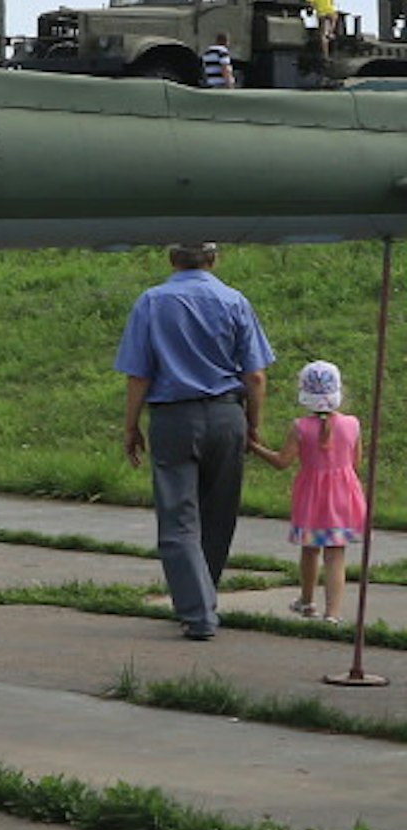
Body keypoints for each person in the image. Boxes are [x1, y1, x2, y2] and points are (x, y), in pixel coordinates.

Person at [118, 240, 273, 639]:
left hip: (173, 417)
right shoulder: (234, 300)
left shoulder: (151, 302)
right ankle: (206, 594)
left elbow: (139, 374)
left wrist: (131, 425)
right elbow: (255, 375)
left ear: (171, 258)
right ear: (214, 258)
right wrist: (253, 423)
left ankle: (197, 610)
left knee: (178, 519)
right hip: (226, 413)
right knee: (218, 514)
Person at [276, 358, 369, 622]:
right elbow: (356, 462)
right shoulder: (352, 424)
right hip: (343, 498)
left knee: (310, 550)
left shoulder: (300, 428)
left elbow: (283, 462)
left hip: (312, 499)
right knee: (336, 554)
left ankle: (307, 601)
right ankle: (333, 614)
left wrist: (255, 447)